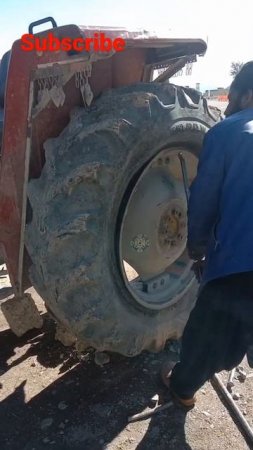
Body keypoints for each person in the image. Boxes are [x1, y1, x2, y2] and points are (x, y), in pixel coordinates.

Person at [161, 61, 253, 407]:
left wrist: (196, 247)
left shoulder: (228, 132)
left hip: (239, 263)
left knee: (206, 333)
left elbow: (204, 198)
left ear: (244, 95)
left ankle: (182, 388)